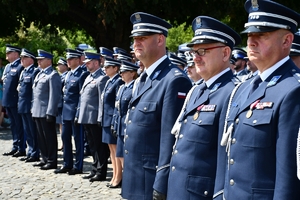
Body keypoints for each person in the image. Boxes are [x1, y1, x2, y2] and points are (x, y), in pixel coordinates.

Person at [214, 0, 300, 199]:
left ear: (286, 41)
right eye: (250, 35)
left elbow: (288, 174)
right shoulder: (242, 88)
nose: (251, 42)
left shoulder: (293, 90)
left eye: (261, 35)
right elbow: (227, 154)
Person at [166, 16, 241, 200]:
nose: (196, 57)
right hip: (179, 189)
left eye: (203, 51)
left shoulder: (232, 92)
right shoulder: (196, 90)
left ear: (225, 53)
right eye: (194, 52)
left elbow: (227, 161)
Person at [121, 12, 192, 200]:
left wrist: (161, 184)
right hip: (134, 177)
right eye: (135, 39)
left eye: (142, 38)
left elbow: (171, 139)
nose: (136, 43)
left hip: (150, 181)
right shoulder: (143, 79)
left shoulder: (173, 81)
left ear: (160, 40)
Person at [76, 51, 109, 182]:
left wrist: (100, 117)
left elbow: (102, 101)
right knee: (92, 145)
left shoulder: (102, 78)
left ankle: (101, 171)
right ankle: (95, 169)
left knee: (99, 146)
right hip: (86, 116)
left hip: (95, 117)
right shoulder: (88, 77)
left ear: (96, 63)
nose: (86, 65)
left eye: (88, 63)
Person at [54, 49, 89, 175]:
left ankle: (78, 166)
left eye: (70, 59)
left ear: (77, 60)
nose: (68, 61)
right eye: (67, 59)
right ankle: (66, 163)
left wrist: (79, 112)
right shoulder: (68, 74)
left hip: (74, 111)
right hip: (65, 111)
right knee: (65, 138)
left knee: (78, 140)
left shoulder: (82, 74)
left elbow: (81, 96)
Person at [110, 60, 139, 189]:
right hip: (120, 126)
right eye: (121, 71)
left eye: (124, 71)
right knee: (120, 155)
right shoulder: (122, 87)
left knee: (128, 157)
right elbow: (117, 109)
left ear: (132, 73)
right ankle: (126, 181)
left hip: (128, 127)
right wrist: (114, 124)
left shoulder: (135, 88)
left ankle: (129, 183)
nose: (121, 74)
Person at [31, 49, 61, 170]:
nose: (38, 62)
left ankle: (52, 160)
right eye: (38, 60)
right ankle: (44, 158)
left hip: (46, 111)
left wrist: (50, 111)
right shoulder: (40, 73)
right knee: (41, 137)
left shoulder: (53, 75)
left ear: (49, 61)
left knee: (49, 136)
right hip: (37, 110)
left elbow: (54, 95)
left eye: (41, 60)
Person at [101, 57, 124, 188]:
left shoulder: (118, 82)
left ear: (115, 68)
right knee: (111, 149)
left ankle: (118, 177)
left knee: (115, 150)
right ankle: (115, 175)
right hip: (106, 118)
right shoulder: (110, 81)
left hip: (112, 119)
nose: (105, 69)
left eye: (108, 67)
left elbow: (117, 104)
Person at [2, 44, 25, 157]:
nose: (6, 55)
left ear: (16, 54)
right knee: (13, 125)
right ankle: (15, 145)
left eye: (9, 53)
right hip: (8, 100)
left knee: (19, 125)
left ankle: (21, 147)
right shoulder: (8, 67)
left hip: (15, 101)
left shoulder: (20, 66)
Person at [17, 48, 40, 163]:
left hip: (29, 106)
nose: (22, 60)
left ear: (31, 59)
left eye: (24, 58)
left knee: (33, 130)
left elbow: (34, 91)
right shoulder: (23, 71)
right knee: (27, 131)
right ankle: (30, 151)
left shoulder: (34, 71)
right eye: (21, 58)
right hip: (22, 105)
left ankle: (35, 152)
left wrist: (32, 106)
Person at [56, 57, 69, 151]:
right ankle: (63, 143)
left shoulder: (66, 76)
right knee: (60, 124)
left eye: (60, 65)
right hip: (59, 103)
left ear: (65, 66)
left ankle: (65, 144)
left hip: (64, 104)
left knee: (64, 126)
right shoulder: (60, 76)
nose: (58, 67)